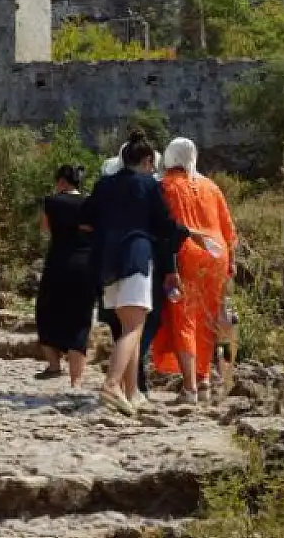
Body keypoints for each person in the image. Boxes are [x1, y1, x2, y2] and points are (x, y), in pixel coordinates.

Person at [80, 131, 197, 413]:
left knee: (126, 325)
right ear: (147, 160)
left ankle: (132, 393)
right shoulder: (147, 186)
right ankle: (112, 385)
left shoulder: (103, 185)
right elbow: (165, 227)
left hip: (107, 263)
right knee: (134, 327)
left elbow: (85, 220)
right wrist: (191, 233)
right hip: (135, 257)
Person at [148, 138, 235, 405]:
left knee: (184, 318)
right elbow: (229, 230)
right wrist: (230, 261)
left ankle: (190, 387)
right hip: (216, 254)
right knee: (207, 319)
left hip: (184, 254)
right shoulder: (211, 186)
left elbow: (162, 227)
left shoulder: (165, 186)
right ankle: (205, 379)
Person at [34, 164, 96, 386]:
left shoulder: (52, 202)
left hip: (58, 263)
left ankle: (53, 365)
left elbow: (44, 228)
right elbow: (95, 229)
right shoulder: (90, 203)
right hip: (85, 264)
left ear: (61, 181)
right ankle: (76, 380)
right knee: (80, 319)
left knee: (46, 311)